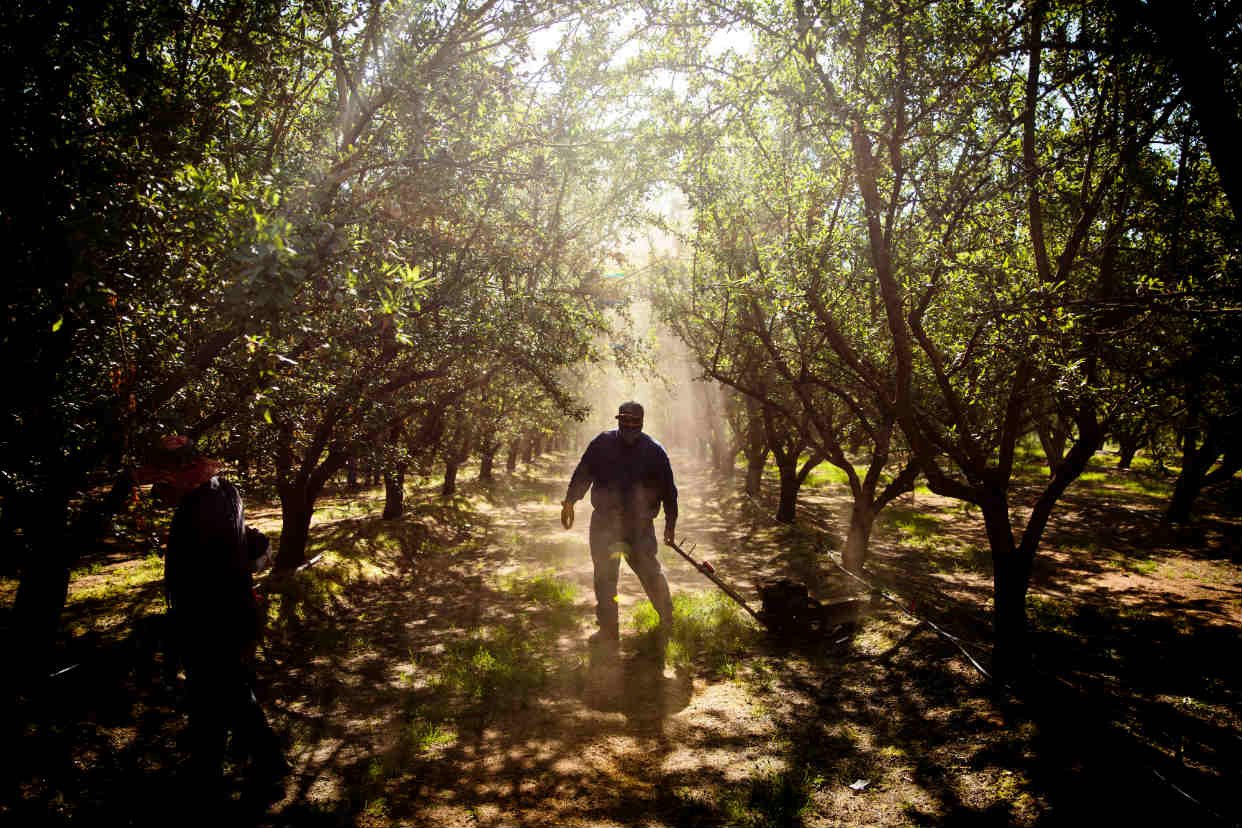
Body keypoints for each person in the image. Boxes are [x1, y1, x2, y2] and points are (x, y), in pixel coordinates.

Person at [136, 435, 286, 797]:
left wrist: (182, 619)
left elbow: (204, 570)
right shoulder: (221, 492)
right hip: (226, 609)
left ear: (181, 474)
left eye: (164, 480)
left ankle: (264, 760)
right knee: (215, 688)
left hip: (213, 614)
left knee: (224, 687)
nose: (160, 490)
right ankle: (211, 762)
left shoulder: (201, 507)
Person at [561, 401, 677, 648]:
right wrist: (570, 500)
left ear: (642, 422)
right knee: (604, 577)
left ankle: (667, 619)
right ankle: (608, 630)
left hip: (640, 526)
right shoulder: (601, 443)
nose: (630, 425)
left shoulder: (655, 451)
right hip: (604, 523)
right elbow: (583, 473)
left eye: (635, 421)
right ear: (618, 420)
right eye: (625, 420)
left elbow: (669, 490)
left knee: (650, 573)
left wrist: (671, 524)